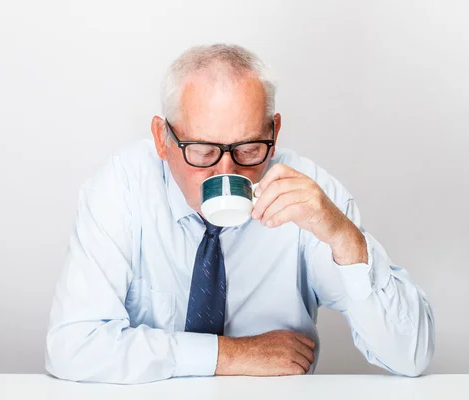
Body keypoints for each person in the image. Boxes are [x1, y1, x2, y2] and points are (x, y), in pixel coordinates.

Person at [44, 44, 435, 384]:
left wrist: (343, 238)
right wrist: (231, 355)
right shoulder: (123, 187)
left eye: (248, 149)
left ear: (274, 133)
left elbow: (410, 356)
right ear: (164, 140)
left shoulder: (310, 194)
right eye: (202, 150)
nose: (226, 172)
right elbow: (72, 347)